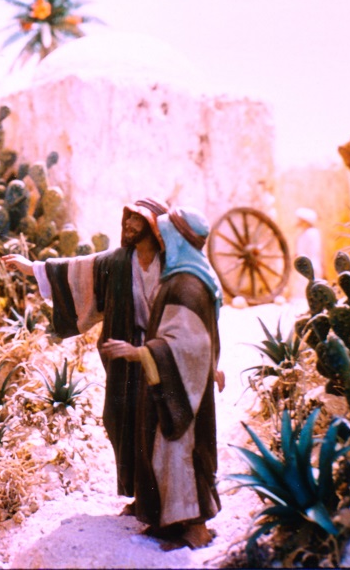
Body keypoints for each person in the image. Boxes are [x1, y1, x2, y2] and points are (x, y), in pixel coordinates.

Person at [1, 197, 168, 512]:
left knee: (159, 423)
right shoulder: (119, 262)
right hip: (126, 360)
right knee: (122, 419)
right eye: (128, 218)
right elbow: (77, 269)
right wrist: (31, 268)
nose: (130, 225)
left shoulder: (171, 265)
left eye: (138, 220)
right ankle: (140, 495)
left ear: (154, 227)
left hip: (162, 357)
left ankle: (165, 498)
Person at [100, 206, 223, 550]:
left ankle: (195, 530)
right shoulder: (186, 277)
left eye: (165, 236)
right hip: (176, 381)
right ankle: (170, 524)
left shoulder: (187, 284)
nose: (161, 243)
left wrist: (139, 353)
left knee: (181, 454)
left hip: (182, 387)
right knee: (166, 453)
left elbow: (187, 342)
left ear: (179, 240)